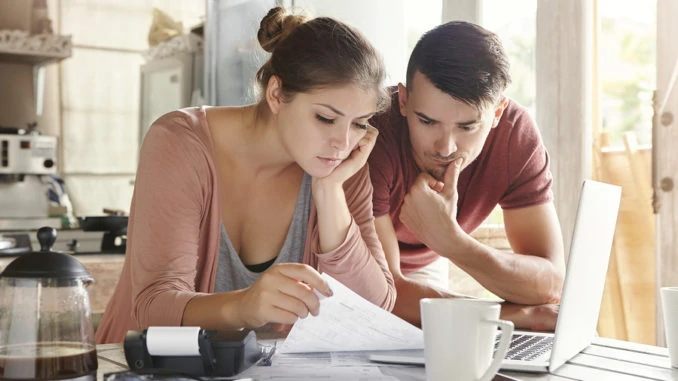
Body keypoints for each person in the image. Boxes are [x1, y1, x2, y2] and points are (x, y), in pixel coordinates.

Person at [96, 7, 395, 344]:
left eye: (359, 123)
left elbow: (377, 307)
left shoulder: (340, 168)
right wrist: (245, 307)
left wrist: (329, 193)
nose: (343, 142)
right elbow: (153, 306)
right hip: (136, 368)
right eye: (326, 118)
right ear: (277, 95)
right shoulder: (179, 142)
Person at [368, 21, 565, 330]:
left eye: (467, 126)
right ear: (404, 101)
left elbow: (551, 283)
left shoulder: (515, 135)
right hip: (356, 277)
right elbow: (383, 294)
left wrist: (451, 242)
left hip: (427, 267)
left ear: (498, 111)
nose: (445, 147)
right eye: (427, 121)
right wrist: (514, 317)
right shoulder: (372, 132)